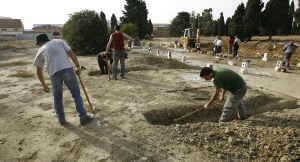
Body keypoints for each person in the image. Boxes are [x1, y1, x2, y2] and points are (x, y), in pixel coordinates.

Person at [32, 33, 93, 126]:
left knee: (57, 98)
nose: (39, 45)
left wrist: (44, 85)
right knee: (76, 94)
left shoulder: (41, 50)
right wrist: (78, 66)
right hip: (67, 70)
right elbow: (71, 53)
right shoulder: (59, 41)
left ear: (40, 42)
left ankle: (61, 120)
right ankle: (83, 117)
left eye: (38, 43)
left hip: (54, 74)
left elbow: (39, 71)